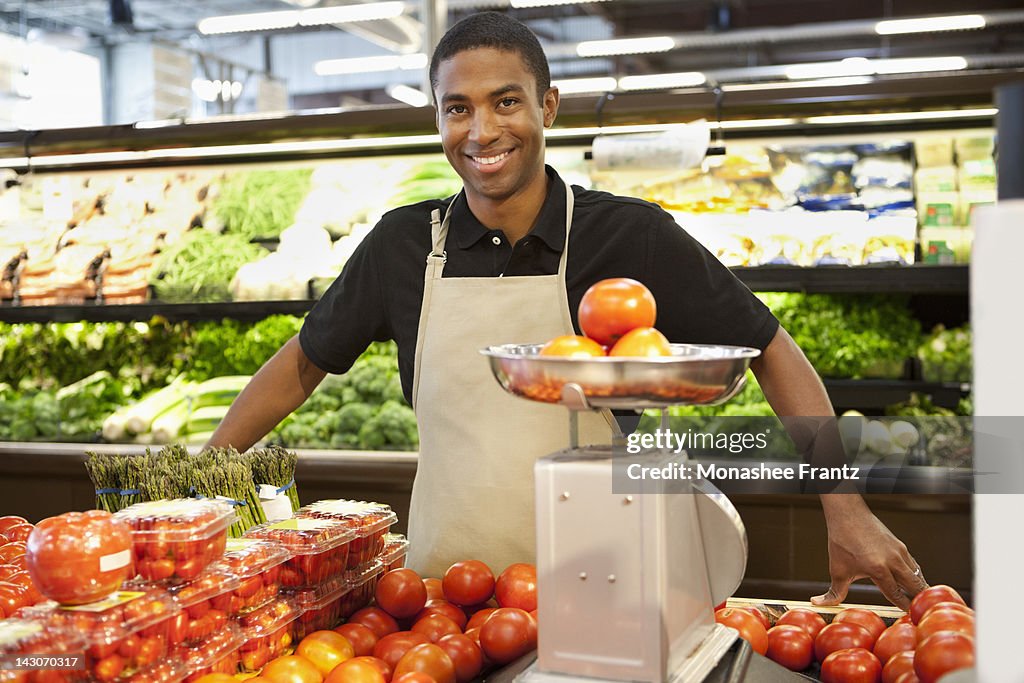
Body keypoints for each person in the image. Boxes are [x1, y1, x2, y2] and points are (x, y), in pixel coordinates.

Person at [207, 11, 927, 609]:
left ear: (547, 106)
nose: (481, 131)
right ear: (438, 118)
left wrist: (845, 506)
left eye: (505, 101)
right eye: (457, 108)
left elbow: (770, 347)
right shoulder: (402, 243)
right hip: (442, 596)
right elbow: (303, 361)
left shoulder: (630, 234)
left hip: (607, 588)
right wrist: (202, 477)